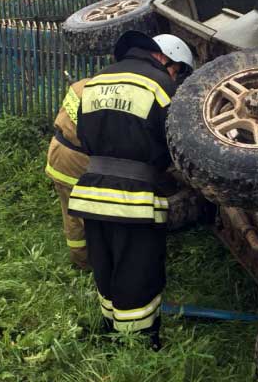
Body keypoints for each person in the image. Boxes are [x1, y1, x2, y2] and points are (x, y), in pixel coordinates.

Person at [68, 30, 194, 349]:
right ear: (165, 59)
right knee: (138, 273)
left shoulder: (97, 81)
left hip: (91, 195)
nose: (175, 77)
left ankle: (110, 332)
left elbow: (83, 133)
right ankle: (138, 345)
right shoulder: (159, 85)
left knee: (106, 267)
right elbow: (176, 141)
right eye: (177, 71)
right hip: (134, 201)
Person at [45, 78, 91, 270]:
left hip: (58, 155)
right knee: (89, 218)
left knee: (71, 215)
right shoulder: (106, 96)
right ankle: (102, 266)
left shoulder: (80, 85)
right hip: (77, 163)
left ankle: (81, 262)